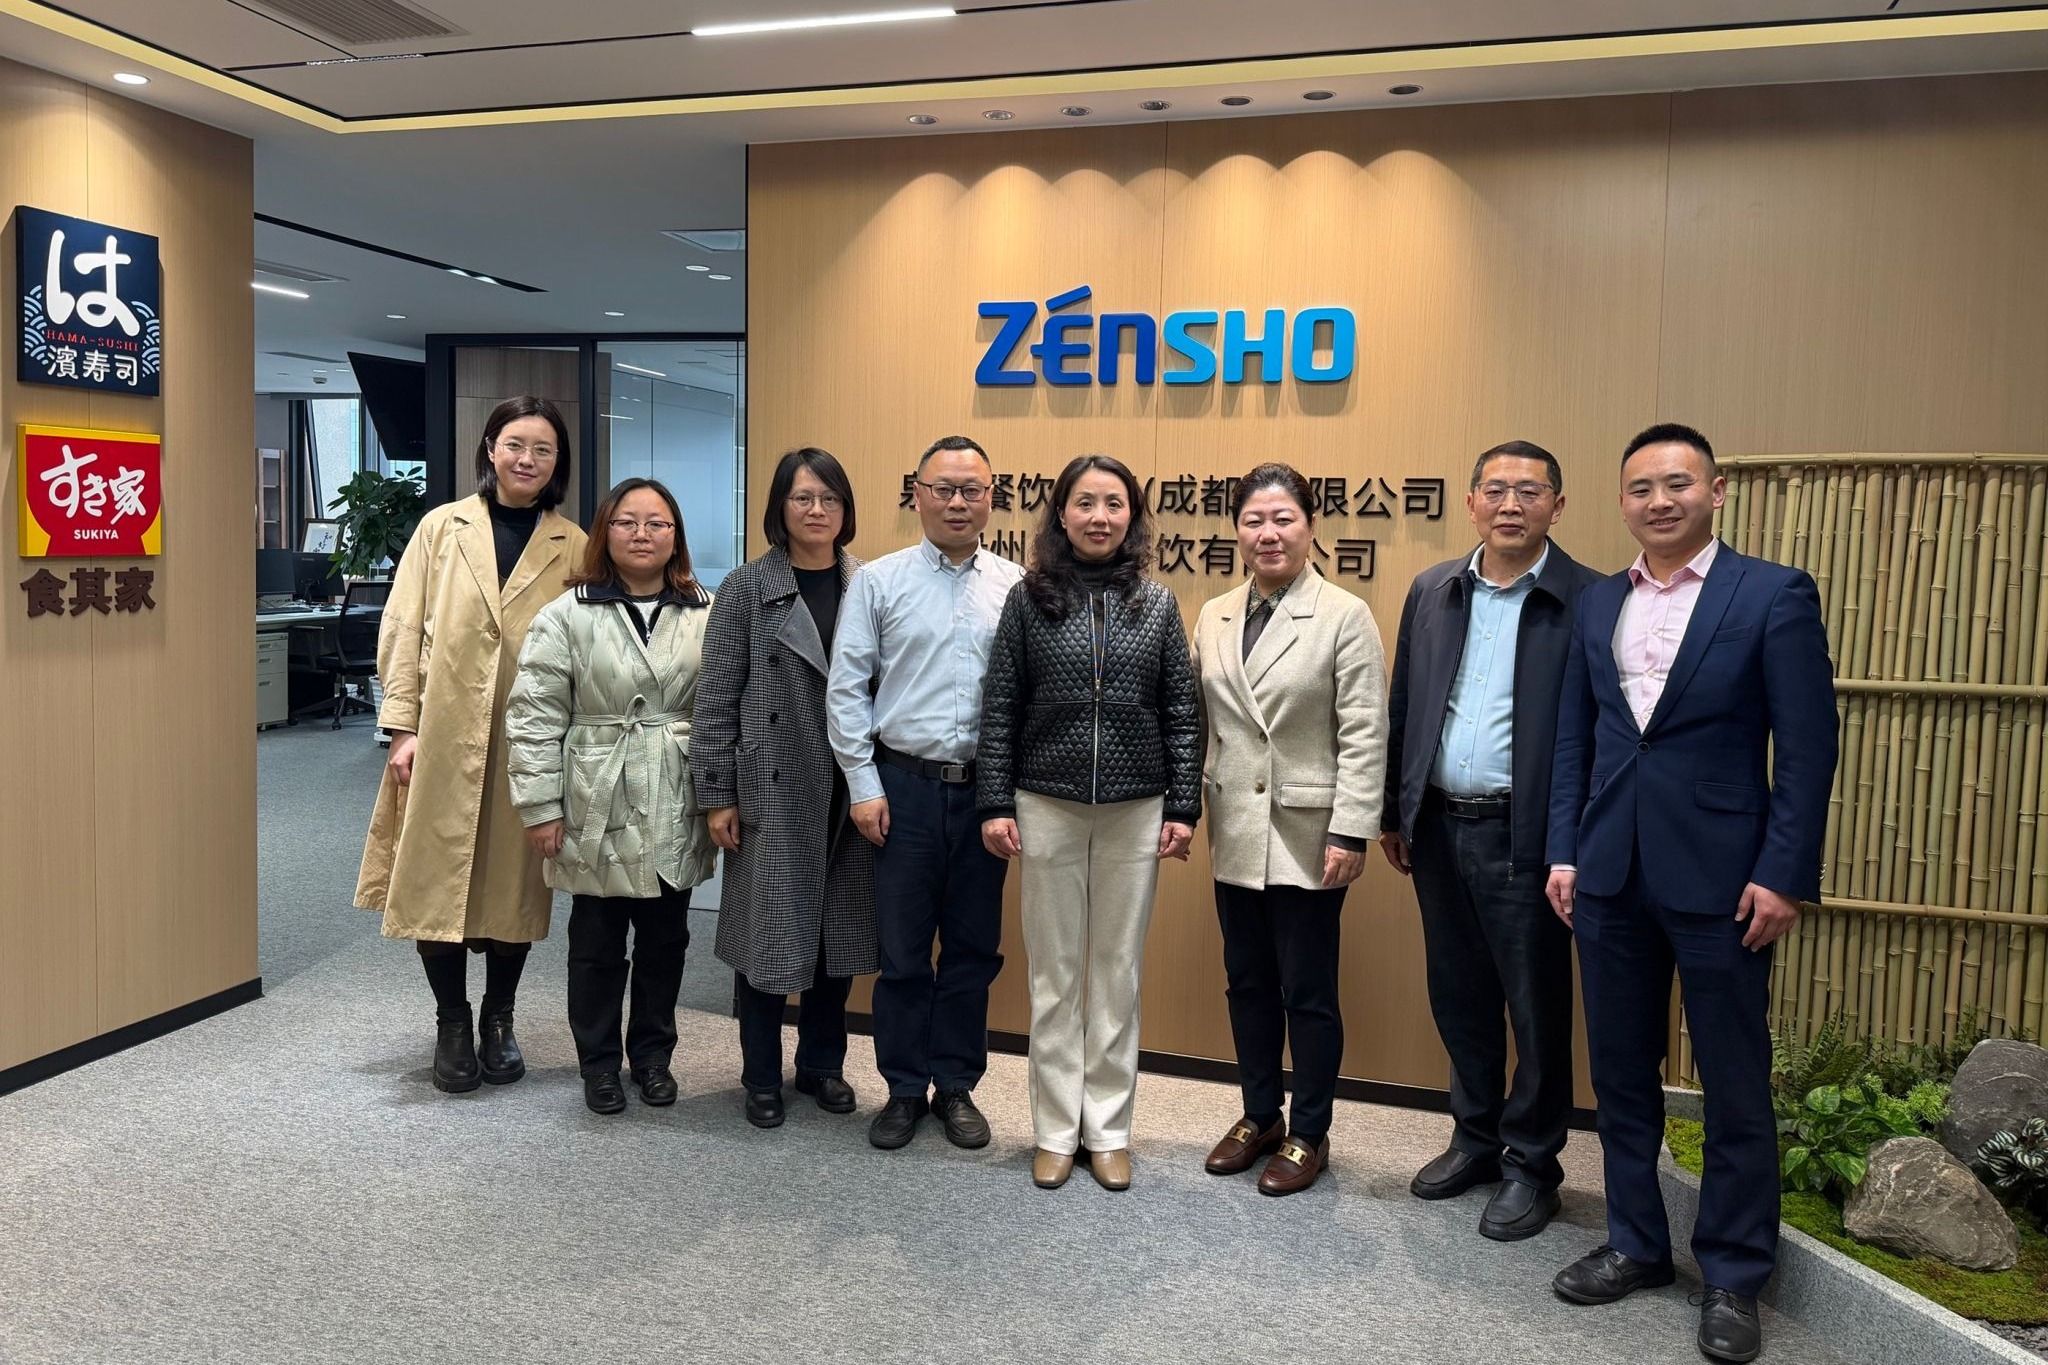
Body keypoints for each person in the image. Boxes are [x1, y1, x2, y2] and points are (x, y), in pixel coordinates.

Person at [1547, 423, 1837, 1364]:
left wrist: (1784, 872)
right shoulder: (1600, 601)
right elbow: (1578, 739)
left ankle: (1734, 1273)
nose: (1659, 500)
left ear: (1715, 492)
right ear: (1621, 501)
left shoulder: (1773, 593)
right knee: (1621, 1072)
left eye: (1677, 483)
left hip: (1725, 880)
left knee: (1734, 1080)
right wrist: (1564, 850)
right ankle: (1635, 1241)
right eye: (1641, 487)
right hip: (1609, 874)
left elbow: (1807, 747)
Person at [1379, 440, 1603, 1240]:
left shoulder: (1589, 599)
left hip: (1527, 833)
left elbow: (1600, 731)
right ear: (1471, 501)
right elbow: (1405, 704)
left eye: (1530, 491)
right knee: (1459, 993)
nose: (1511, 504)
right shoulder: (1432, 588)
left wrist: (1572, 840)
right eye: (1496, 489)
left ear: (1557, 505)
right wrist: (1394, 810)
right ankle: (1474, 1138)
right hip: (1439, 825)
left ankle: (1533, 1164)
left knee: (1534, 1006)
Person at [976, 454, 1202, 1192]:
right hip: (1047, 801)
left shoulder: (1156, 603)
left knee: (1115, 972)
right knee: (1055, 975)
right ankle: (1053, 1130)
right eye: (1085, 502)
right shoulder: (1028, 599)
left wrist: (1182, 805)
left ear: (1131, 516)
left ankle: (1107, 1131)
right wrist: (996, 801)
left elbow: (1181, 709)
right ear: (1062, 514)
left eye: (1114, 503)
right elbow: (1001, 704)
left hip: (1136, 807)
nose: (1099, 516)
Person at [355, 396, 587, 1094]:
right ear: (490, 448)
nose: (527, 459)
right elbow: (403, 627)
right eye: (515, 444)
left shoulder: (574, 543)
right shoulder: (441, 528)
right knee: (438, 876)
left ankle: (499, 1017)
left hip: (531, 739)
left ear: (557, 462)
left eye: (542, 449)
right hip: (443, 732)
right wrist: (402, 727)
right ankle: (452, 1021)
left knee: (515, 883)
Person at [1191, 462, 1388, 1196]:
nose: (1268, 533)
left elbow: (1365, 730)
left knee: (1307, 990)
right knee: (1246, 981)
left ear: (1310, 526)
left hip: (1309, 832)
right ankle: (1258, 1115)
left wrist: (1352, 830)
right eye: (1254, 520)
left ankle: (1309, 1131)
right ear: (1237, 531)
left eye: (1283, 519)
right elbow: (1198, 721)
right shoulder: (1214, 613)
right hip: (1236, 826)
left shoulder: (1343, 613)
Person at [826, 434, 1025, 1151]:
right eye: (943, 488)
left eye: (972, 489)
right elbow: (846, 689)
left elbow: (1028, 699)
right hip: (901, 789)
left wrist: (1011, 796)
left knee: (973, 951)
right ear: (917, 494)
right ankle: (904, 1088)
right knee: (904, 953)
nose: (957, 501)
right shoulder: (878, 581)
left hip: (984, 796)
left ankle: (957, 1085)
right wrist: (862, 784)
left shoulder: (1018, 586)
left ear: (992, 498)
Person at [505, 478, 716, 1115]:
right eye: (627, 522)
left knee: (665, 942)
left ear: (676, 536)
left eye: (657, 523)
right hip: (595, 791)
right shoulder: (567, 613)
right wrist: (541, 807)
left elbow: (722, 712)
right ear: (606, 532)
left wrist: (720, 796)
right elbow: (534, 715)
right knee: (596, 944)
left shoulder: (705, 611)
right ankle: (597, 1064)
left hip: (674, 789)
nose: (642, 534)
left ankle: (652, 1058)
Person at [692, 448, 877, 1129]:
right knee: (765, 937)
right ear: (780, 507)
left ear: (845, 509)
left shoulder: (868, 583)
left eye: (829, 498)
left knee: (836, 937)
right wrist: (717, 793)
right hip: (772, 785)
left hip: (851, 786)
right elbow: (716, 696)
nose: (817, 510)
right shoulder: (747, 587)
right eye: (803, 497)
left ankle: (822, 1065)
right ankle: (762, 1074)